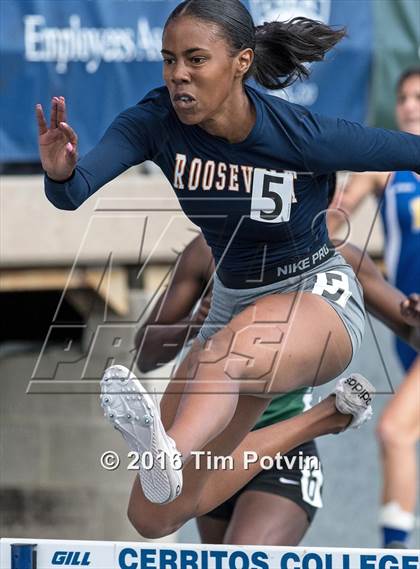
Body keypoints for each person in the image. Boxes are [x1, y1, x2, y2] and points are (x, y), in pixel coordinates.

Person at [36, 0, 420, 538]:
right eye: (169, 60)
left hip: (316, 295)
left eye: (196, 59)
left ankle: (166, 450)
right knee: (152, 515)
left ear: (241, 62)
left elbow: (411, 150)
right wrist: (60, 174)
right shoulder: (154, 121)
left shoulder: (301, 134)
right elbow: (74, 192)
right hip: (235, 305)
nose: (178, 76)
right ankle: (318, 419)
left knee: (226, 355)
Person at [134, 228, 419, 546]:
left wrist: (416, 321)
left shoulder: (341, 256)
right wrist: (196, 322)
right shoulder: (206, 249)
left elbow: (412, 335)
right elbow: (145, 354)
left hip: (286, 456)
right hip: (213, 447)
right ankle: (330, 416)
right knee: (159, 520)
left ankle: (323, 418)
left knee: (242, 557)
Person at [328, 68, 420, 549]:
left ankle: (394, 555)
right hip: (409, 330)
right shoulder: (385, 166)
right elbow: (332, 221)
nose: (409, 105)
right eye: (402, 96)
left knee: (394, 430)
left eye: (419, 96)